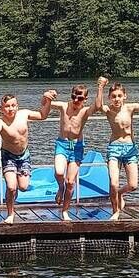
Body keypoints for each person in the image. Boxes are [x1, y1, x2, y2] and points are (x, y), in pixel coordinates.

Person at [0, 90, 56, 224]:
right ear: (1, 109)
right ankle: (10, 214)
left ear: (17, 106)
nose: (10, 109)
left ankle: (13, 193)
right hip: (8, 156)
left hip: (24, 155)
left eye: (13, 105)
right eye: (7, 106)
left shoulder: (24, 114)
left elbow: (43, 115)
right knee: (11, 187)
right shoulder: (1, 122)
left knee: (23, 187)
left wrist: (47, 100)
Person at [95, 81, 139, 220]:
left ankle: (119, 193)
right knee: (113, 183)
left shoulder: (130, 108)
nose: (116, 99)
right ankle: (115, 211)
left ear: (124, 96)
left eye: (119, 96)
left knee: (133, 185)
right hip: (114, 148)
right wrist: (100, 87)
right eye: (113, 96)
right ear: (109, 98)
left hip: (130, 149)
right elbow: (98, 106)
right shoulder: (108, 110)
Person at [49, 77, 107, 221]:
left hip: (77, 147)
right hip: (62, 144)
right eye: (73, 96)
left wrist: (100, 87)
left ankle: (65, 211)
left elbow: (98, 106)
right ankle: (60, 188)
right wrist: (47, 95)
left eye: (80, 98)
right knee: (59, 172)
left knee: (70, 182)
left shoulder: (85, 111)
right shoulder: (64, 106)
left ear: (85, 99)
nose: (76, 100)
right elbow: (46, 103)